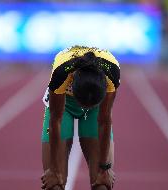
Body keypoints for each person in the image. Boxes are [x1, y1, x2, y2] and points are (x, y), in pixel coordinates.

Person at [41, 46, 120, 190]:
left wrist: (105, 168)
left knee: (101, 182)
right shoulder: (61, 72)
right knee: (54, 184)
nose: (86, 108)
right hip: (64, 103)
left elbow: (105, 121)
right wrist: (53, 169)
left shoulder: (112, 71)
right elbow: (55, 120)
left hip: (97, 104)